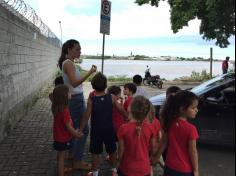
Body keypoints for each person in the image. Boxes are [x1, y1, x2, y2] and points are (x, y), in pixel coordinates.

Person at [58, 39, 97, 170]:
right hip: (75, 100)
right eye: (77, 49)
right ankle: (77, 161)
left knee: (75, 127)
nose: (80, 51)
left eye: (80, 49)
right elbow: (74, 83)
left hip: (74, 99)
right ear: (69, 49)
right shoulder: (68, 63)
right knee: (84, 130)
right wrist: (90, 73)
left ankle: (71, 153)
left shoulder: (69, 63)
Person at [79, 73, 127, 176]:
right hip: (109, 129)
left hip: (96, 131)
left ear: (92, 86)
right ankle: (114, 170)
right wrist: (128, 119)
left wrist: (80, 129)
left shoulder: (92, 99)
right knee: (112, 150)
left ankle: (95, 173)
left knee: (95, 152)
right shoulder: (112, 97)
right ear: (106, 85)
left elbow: (86, 116)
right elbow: (121, 110)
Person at [155, 90, 199, 176]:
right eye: (193, 108)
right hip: (184, 170)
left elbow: (164, 141)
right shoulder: (191, 129)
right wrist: (196, 170)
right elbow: (193, 151)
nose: (196, 110)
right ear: (182, 109)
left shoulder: (169, 123)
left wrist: (156, 157)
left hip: (169, 166)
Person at [117, 96, 156, 176]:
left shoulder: (123, 128)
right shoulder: (151, 127)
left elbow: (121, 150)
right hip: (145, 168)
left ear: (130, 108)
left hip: (127, 168)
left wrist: (119, 162)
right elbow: (153, 148)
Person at [51, 85, 83, 176]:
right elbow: (68, 126)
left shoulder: (56, 106)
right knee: (62, 157)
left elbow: (51, 95)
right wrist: (76, 134)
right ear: (64, 96)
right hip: (63, 138)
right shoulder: (64, 110)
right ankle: (61, 172)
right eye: (68, 92)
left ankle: (60, 168)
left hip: (58, 137)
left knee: (60, 154)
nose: (70, 93)